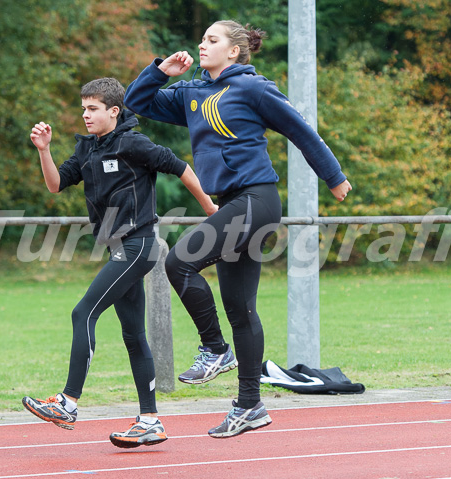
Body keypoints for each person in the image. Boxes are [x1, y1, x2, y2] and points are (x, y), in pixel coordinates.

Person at [124, 20, 352, 438]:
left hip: (257, 200)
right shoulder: (191, 92)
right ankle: (250, 405)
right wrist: (160, 72)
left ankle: (214, 349)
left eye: (212, 40)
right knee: (240, 309)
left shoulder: (253, 88)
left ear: (234, 51)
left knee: (179, 262)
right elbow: (135, 102)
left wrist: (333, 177)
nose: (201, 45)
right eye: (203, 39)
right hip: (232, 205)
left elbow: (301, 132)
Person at [22, 78, 217, 448]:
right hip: (118, 246)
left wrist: (208, 206)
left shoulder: (132, 143)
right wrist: (44, 150)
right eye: (83, 108)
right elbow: (55, 184)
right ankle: (150, 421)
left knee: (83, 313)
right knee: (133, 335)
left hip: (138, 245)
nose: (85, 115)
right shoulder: (87, 150)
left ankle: (67, 402)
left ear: (114, 111)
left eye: (92, 109)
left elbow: (180, 167)